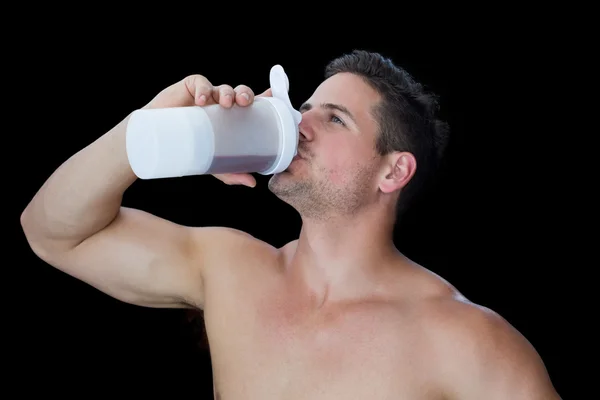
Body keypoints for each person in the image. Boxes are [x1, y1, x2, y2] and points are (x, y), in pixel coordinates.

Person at [21, 50, 561, 399]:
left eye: (335, 119)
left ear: (393, 170)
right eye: (305, 108)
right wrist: (151, 125)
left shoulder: (468, 341)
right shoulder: (231, 270)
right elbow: (53, 231)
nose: (299, 125)